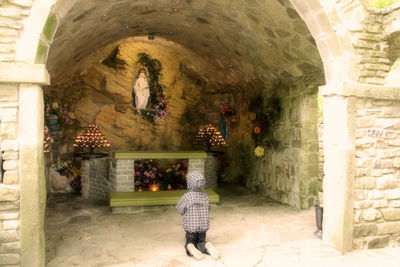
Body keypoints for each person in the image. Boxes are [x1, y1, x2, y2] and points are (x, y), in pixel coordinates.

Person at [176, 170, 220, 260]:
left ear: (190, 183)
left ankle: (190, 247)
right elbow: (208, 209)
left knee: (190, 241)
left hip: (191, 228)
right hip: (203, 228)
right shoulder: (205, 196)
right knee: (201, 241)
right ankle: (206, 245)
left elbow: (180, 210)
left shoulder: (187, 197)